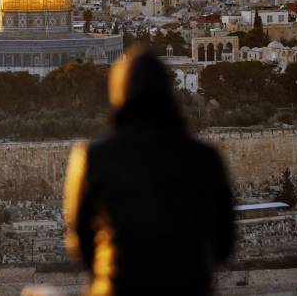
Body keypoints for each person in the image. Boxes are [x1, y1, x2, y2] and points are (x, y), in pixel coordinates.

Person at [63, 47, 234, 296]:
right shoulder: (205, 157)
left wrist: (106, 271)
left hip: (118, 287)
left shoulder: (94, 156)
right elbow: (224, 245)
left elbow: (80, 238)